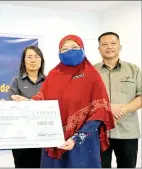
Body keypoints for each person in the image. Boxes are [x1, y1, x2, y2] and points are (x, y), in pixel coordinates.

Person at [12, 35, 115, 168]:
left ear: (82, 49)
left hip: (83, 144)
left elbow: (99, 111)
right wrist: (27, 102)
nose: (69, 51)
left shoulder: (92, 76)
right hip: (55, 140)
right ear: (59, 52)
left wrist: (77, 138)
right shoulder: (54, 75)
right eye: (64, 48)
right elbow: (43, 100)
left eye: (74, 47)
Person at [94, 32, 141, 168]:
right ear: (99, 49)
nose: (109, 47)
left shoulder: (134, 70)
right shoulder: (91, 71)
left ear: (120, 47)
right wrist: (108, 108)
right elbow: (85, 100)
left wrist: (123, 109)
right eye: (104, 44)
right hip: (98, 132)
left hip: (127, 131)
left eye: (113, 43)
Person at [8, 46, 46, 168]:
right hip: (21, 136)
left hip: (44, 135)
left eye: (36, 57)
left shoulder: (49, 81)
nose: (33, 60)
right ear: (24, 61)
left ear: (41, 60)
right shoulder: (16, 81)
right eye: (29, 57)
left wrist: (27, 102)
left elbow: (52, 106)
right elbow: (11, 104)